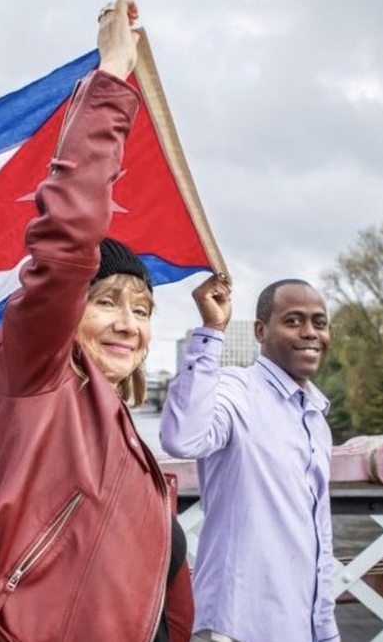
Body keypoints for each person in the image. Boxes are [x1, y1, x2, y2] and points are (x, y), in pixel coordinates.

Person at [0, 0, 193, 642]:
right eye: (106, 301)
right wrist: (111, 80)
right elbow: (67, 241)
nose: (130, 324)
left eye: (142, 308)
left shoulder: (120, 428)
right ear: (66, 310)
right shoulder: (38, 378)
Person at [160, 275, 340, 642]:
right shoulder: (235, 390)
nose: (310, 332)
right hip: (235, 625)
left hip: (299, 629)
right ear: (261, 330)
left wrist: (325, 628)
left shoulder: (317, 418)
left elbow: (320, 537)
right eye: (293, 320)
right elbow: (182, 438)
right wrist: (212, 329)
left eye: (319, 323)